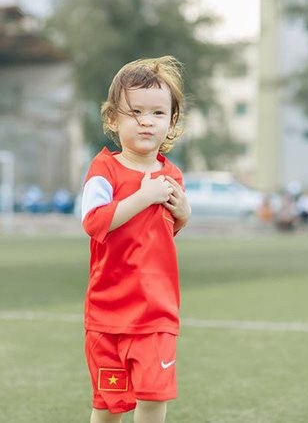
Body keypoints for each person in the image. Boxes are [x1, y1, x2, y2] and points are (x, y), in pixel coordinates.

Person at [79, 56, 191, 423]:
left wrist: (183, 214)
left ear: (171, 122)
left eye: (158, 113)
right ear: (113, 118)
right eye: (135, 111)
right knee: (109, 407)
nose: (146, 121)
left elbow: (162, 231)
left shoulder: (172, 175)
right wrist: (143, 196)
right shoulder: (103, 170)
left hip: (157, 314)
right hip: (108, 315)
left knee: (153, 399)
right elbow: (94, 222)